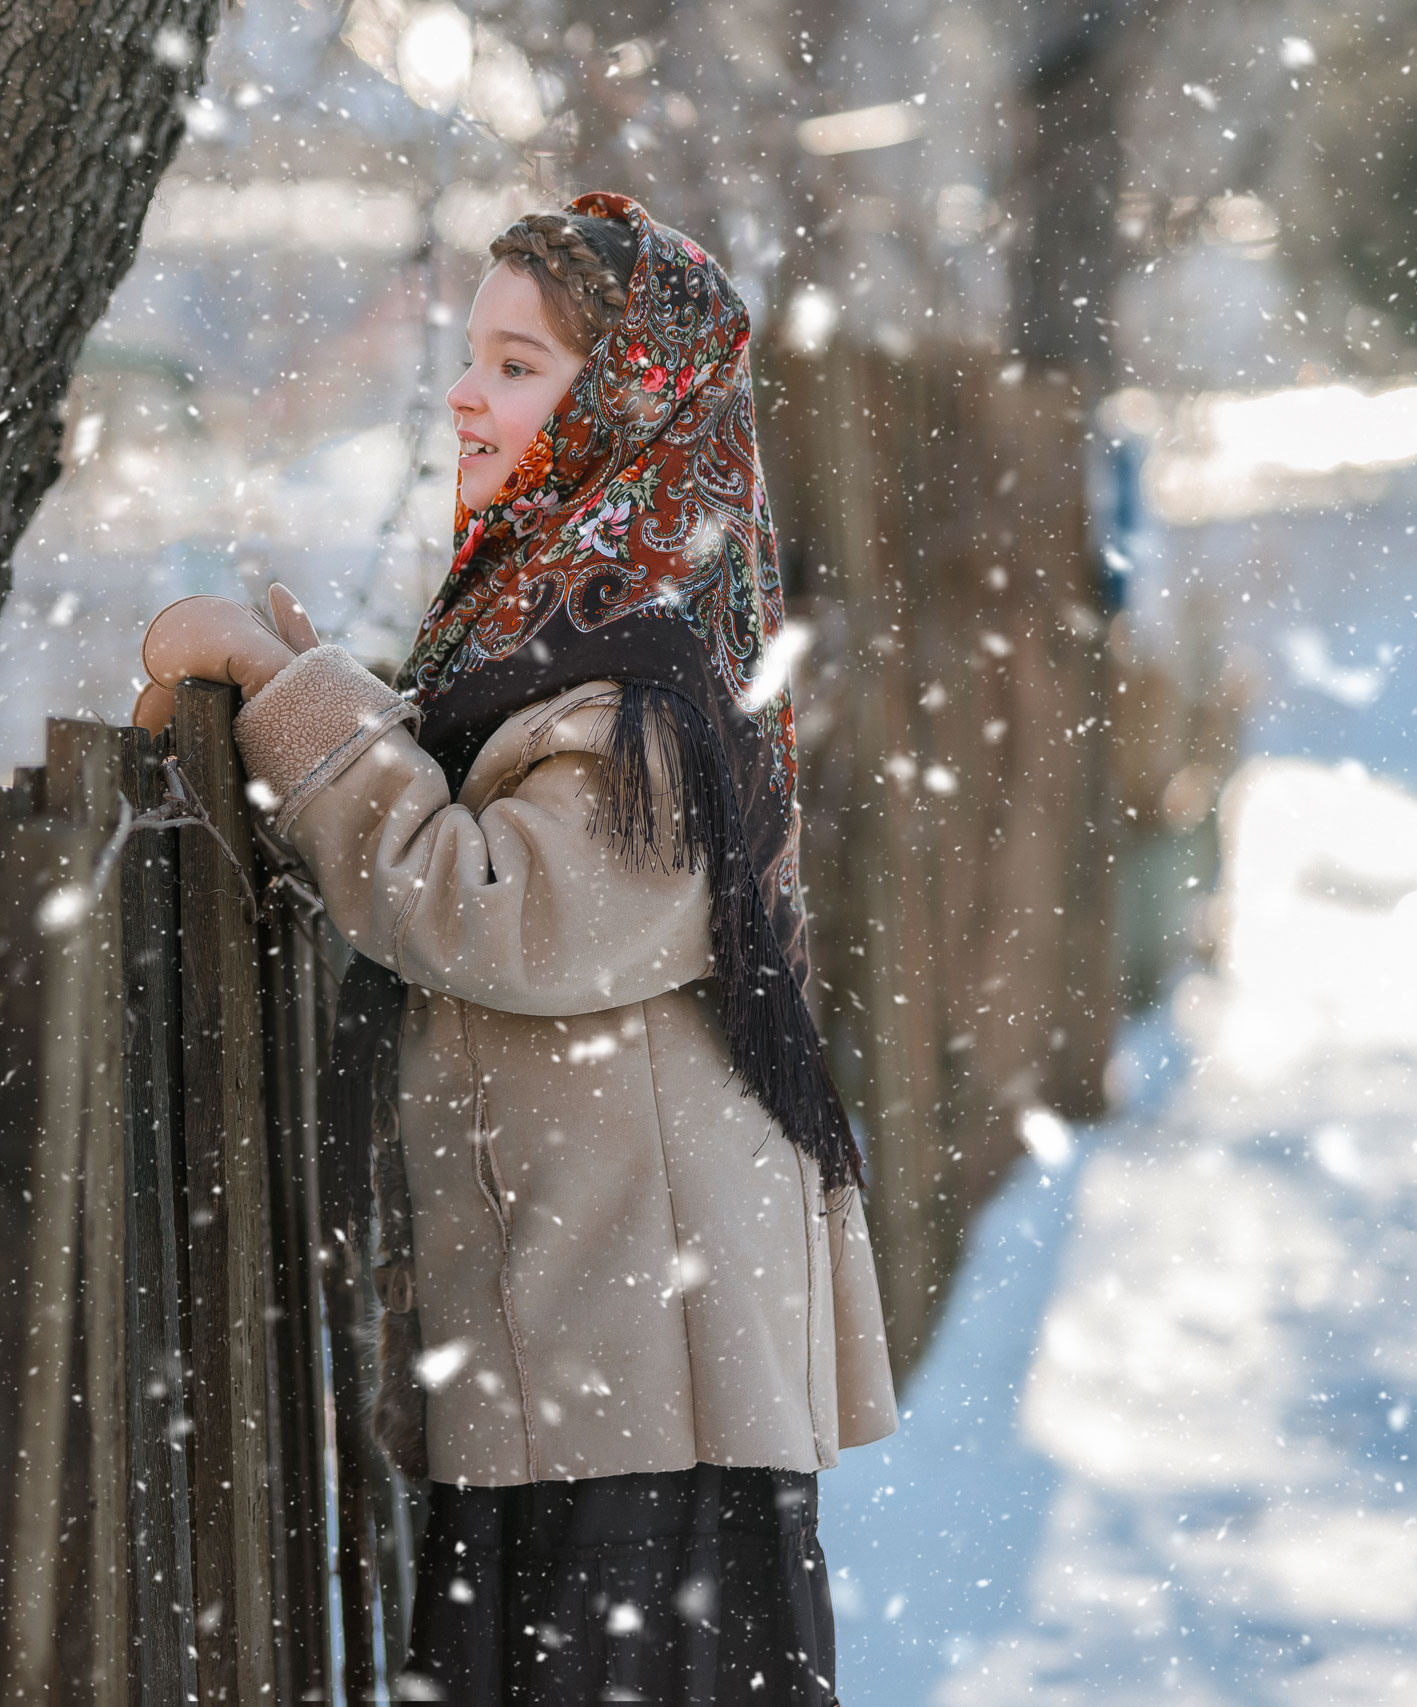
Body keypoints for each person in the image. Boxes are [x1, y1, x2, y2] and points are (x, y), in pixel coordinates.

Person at [135, 193, 895, 1705]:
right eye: (471, 357)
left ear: (624, 404)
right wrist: (327, 701)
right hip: (589, 1341)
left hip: (639, 1376)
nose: (469, 397)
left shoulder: (654, 682)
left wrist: (282, 690)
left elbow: (495, 911)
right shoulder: (571, 623)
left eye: (520, 365)